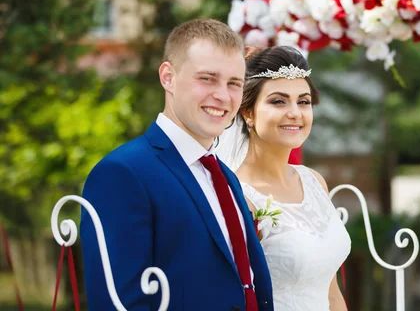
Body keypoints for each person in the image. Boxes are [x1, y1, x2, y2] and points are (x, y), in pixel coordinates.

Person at [80, 19, 273, 310]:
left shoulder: (225, 176)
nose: (223, 95)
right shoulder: (123, 174)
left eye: (234, 83)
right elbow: (118, 303)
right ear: (168, 77)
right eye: (207, 79)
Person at [221, 46, 351, 311]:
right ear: (247, 112)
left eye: (303, 101)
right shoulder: (236, 196)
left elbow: (332, 292)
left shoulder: (315, 181)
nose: (295, 113)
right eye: (278, 101)